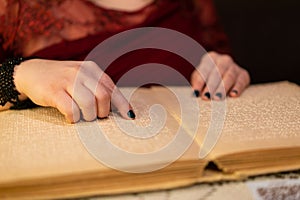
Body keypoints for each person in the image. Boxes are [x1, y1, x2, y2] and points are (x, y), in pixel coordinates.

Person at [0, 0, 250, 123]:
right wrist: (19, 75)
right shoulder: (14, 7)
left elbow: (211, 53)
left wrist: (221, 70)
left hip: (187, 162)